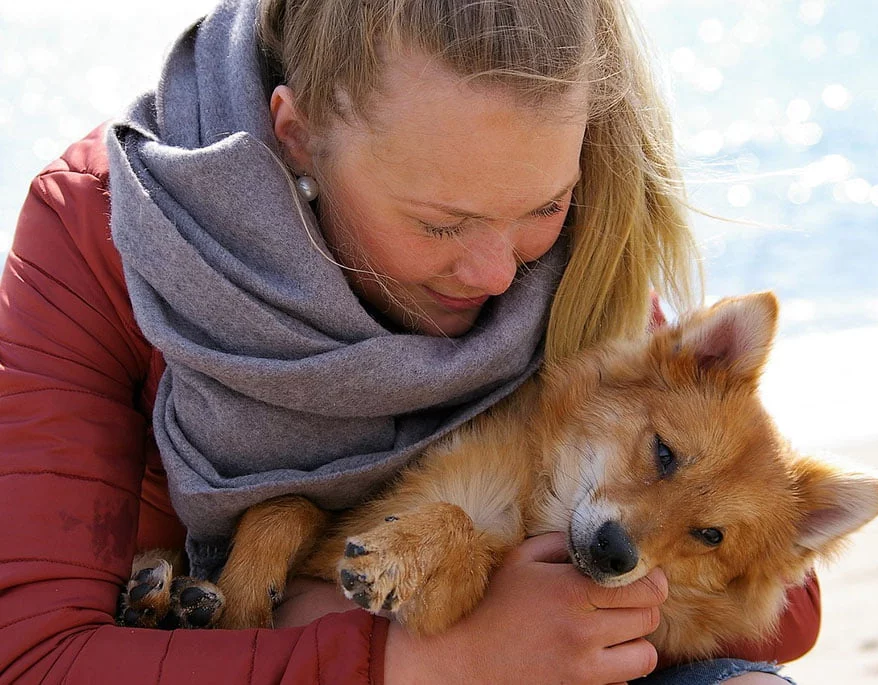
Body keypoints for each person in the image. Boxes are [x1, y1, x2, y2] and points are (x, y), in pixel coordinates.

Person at [0, 0, 820, 683]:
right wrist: (418, 660)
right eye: (440, 222)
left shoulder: (565, 235)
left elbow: (782, 605)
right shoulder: (105, 232)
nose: (500, 272)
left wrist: (549, 601)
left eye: (545, 207)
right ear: (297, 133)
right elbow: (35, 658)